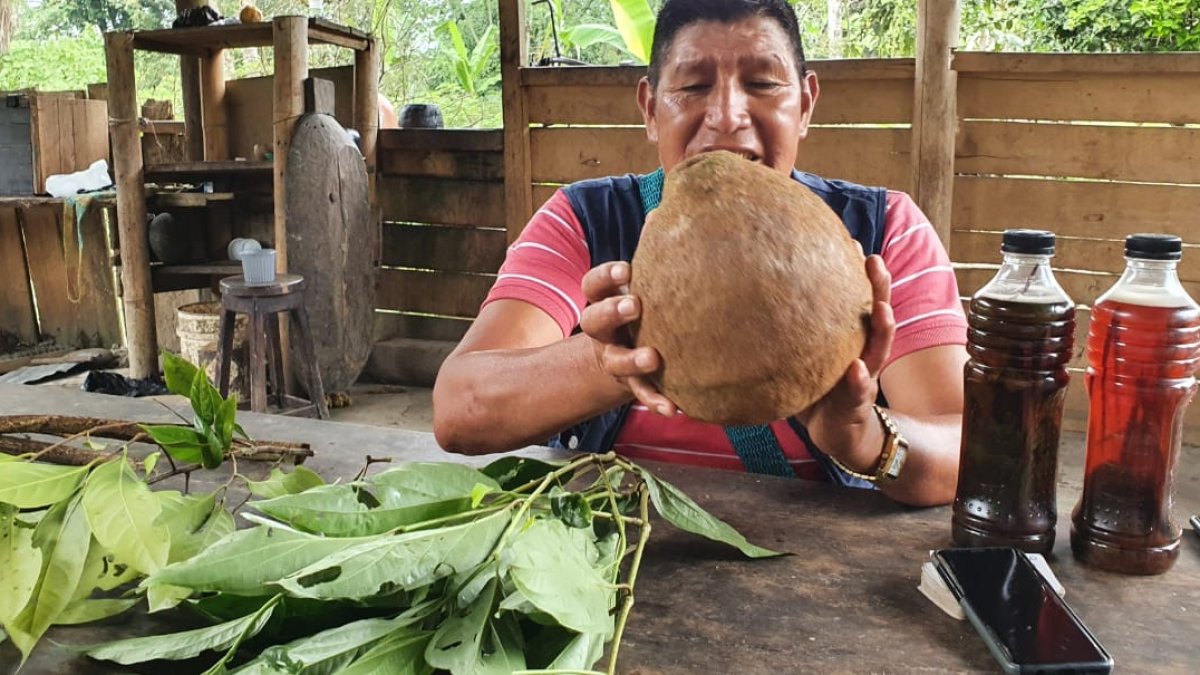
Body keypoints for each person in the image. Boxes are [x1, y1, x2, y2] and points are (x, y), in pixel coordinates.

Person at [433, 0, 968, 507]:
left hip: (820, 581)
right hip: (617, 556)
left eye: (761, 83)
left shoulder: (883, 230)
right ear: (649, 108)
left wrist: (866, 439)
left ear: (804, 105)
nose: (727, 115)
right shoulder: (587, 220)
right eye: (693, 86)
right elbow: (459, 409)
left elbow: (970, 455)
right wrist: (611, 362)